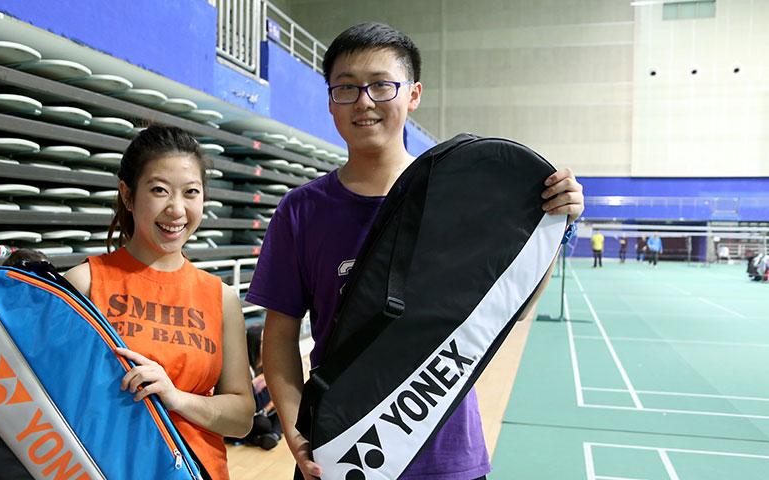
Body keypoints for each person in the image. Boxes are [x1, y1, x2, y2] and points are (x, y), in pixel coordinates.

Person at [245, 22, 585, 480]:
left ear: (413, 94)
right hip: (342, 454)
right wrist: (296, 433)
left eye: (382, 85)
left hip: (448, 458)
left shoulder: (461, 201)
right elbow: (280, 337)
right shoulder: (300, 211)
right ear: (330, 101)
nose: (364, 101)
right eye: (346, 88)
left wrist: (552, 226)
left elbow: (512, 308)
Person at [64, 126, 253, 480]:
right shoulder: (84, 283)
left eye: (191, 193)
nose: (176, 209)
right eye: (159, 191)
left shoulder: (221, 298)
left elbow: (242, 416)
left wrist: (176, 397)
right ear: (128, 195)